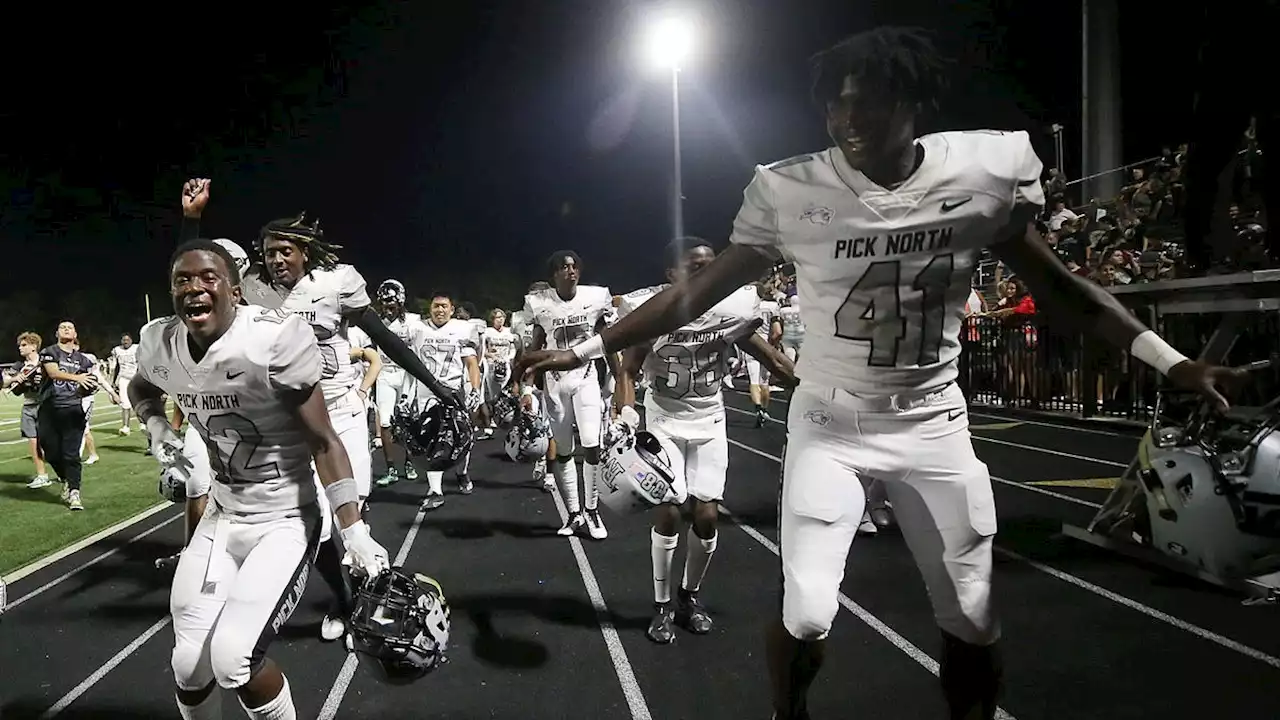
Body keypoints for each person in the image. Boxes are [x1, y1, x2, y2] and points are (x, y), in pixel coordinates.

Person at [518, 26, 1247, 720]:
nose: (846, 115)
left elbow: (1060, 289)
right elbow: (688, 297)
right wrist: (585, 350)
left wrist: (1172, 360)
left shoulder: (980, 175)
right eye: (834, 99)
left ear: (914, 103)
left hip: (933, 425)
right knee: (806, 613)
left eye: (865, 97)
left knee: (972, 617)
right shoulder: (792, 190)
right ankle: (788, 711)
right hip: (830, 424)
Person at [130, 239, 390, 720]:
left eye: (208, 277)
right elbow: (141, 386)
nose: (194, 287)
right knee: (188, 664)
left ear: (234, 288)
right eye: (182, 280)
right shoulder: (160, 341)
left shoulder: (272, 339)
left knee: (234, 659)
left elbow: (324, 441)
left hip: (284, 518)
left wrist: (353, 529)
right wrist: (157, 424)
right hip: (223, 515)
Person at [257, 212, 459, 642]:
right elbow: (196, 269)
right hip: (291, 426)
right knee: (319, 528)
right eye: (269, 252)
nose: (276, 259)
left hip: (342, 415)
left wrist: (435, 383)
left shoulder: (335, 284)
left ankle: (373, 601)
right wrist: (190, 219)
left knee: (354, 521)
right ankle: (343, 597)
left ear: (304, 253)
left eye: (285, 251)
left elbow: (387, 339)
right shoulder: (255, 295)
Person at [615, 238, 795, 644]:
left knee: (708, 516)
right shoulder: (655, 311)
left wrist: (807, 388)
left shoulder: (730, 308)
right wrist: (626, 414)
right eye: (695, 267)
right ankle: (662, 603)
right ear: (671, 275)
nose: (706, 274)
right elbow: (628, 369)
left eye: (711, 266)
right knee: (669, 509)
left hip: (709, 418)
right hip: (664, 418)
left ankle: (688, 596)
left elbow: (770, 357)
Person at [522, 251, 617, 540]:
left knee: (591, 444)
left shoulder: (595, 298)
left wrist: (618, 378)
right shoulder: (540, 303)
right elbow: (533, 348)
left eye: (575, 266)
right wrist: (526, 387)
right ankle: (574, 513)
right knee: (563, 451)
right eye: (564, 267)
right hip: (554, 383)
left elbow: (608, 342)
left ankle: (592, 510)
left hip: (586, 378)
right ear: (554, 274)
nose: (571, 271)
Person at [413, 293, 483, 509]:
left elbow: (471, 363)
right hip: (426, 391)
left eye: (444, 306)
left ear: (452, 309)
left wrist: (475, 389)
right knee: (430, 439)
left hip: (453, 391)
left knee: (460, 437)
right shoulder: (417, 328)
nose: (440, 310)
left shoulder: (461, 329)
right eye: (436, 306)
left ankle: (461, 473)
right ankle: (436, 491)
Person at [370, 279, 428, 486]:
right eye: (385, 303)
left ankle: (410, 463)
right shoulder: (375, 321)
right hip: (385, 373)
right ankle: (391, 468)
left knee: (407, 419)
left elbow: (419, 354)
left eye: (392, 304)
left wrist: (417, 384)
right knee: (385, 421)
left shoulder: (412, 322)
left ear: (401, 301)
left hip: (406, 375)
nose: (388, 308)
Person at [36, 322, 98, 511]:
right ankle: (65, 478)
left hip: (72, 409)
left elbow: (88, 383)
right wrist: (77, 378)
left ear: (75, 333)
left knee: (71, 454)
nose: (66, 329)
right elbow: (53, 373)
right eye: (62, 327)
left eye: (70, 327)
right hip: (49, 408)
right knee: (50, 451)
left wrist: (88, 387)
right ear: (57, 333)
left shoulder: (84, 360)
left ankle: (74, 492)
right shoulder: (50, 352)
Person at [510, 282, 555, 490]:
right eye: (532, 295)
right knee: (531, 424)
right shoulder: (519, 320)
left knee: (550, 429)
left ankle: (548, 469)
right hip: (529, 378)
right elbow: (520, 355)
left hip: (551, 378)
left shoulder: (554, 314)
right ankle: (538, 456)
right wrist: (515, 382)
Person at [3, 332, 50, 489]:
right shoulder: (18, 366)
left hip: (45, 406)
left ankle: (64, 472)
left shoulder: (45, 363)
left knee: (51, 443)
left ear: (34, 347)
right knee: (33, 442)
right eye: (20, 345)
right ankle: (42, 475)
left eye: (24, 345)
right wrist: (15, 379)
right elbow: (4, 383)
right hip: (28, 406)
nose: (20, 348)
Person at [480, 308, 517, 439]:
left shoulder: (509, 332)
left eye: (501, 317)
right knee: (492, 395)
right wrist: (489, 355)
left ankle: (506, 418)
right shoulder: (487, 332)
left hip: (505, 364)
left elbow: (513, 349)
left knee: (505, 393)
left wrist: (508, 359)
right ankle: (492, 419)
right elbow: (481, 350)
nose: (500, 320)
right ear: (492, 319)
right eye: (497, 317)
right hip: (491, 365)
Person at [109, 332, 140, 435]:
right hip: (123, 378)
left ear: (131, 340)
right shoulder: (116, 350)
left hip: (136, 377)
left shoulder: (137, 348)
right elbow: (113, 366)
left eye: (127, 339)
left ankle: (143, 423)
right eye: (124, 340)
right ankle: (126, 427)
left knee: (138, 403)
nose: (125, 341)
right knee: (125, 404)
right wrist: (112, 381)